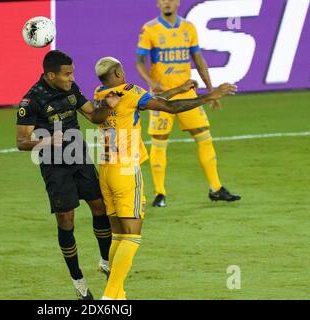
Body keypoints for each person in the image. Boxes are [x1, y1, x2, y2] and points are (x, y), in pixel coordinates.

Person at [93, 56, 237, 299]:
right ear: (117, 73)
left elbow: (154, 101)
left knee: (118, 233)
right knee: (132, 235)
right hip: (126, 171)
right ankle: (109, 298)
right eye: (123, 70)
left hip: (105, 170)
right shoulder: (131, 92)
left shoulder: (100, 93)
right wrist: (209, 96)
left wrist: (178, 89)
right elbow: (169, 108)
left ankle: (118, 294)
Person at [16, 50, 118, 300]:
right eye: (67, 74)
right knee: (66, 220)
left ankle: (106, 262)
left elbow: (93, 115)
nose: (72, 78)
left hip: (80, 158)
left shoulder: (71, 90)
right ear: (51, 75)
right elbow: (21, 141)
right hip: (54, 166)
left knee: (99, 208)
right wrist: (49, 140)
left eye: (72, 73)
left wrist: (108, 105)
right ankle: (78, 280)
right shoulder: (32, 100)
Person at [136, 0, 241, 207]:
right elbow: (140, 61)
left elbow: (199, 59)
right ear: (158, 4)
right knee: (159, 141)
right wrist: (151, 82)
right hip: (163, 96)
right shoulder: (149, 29)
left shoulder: (188, 28)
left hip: (187, 93)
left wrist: (211, 91)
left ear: (177, 2)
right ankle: (160, 193)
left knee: (204, 136)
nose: (167, 3)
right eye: (163, 0)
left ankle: (216, 188)